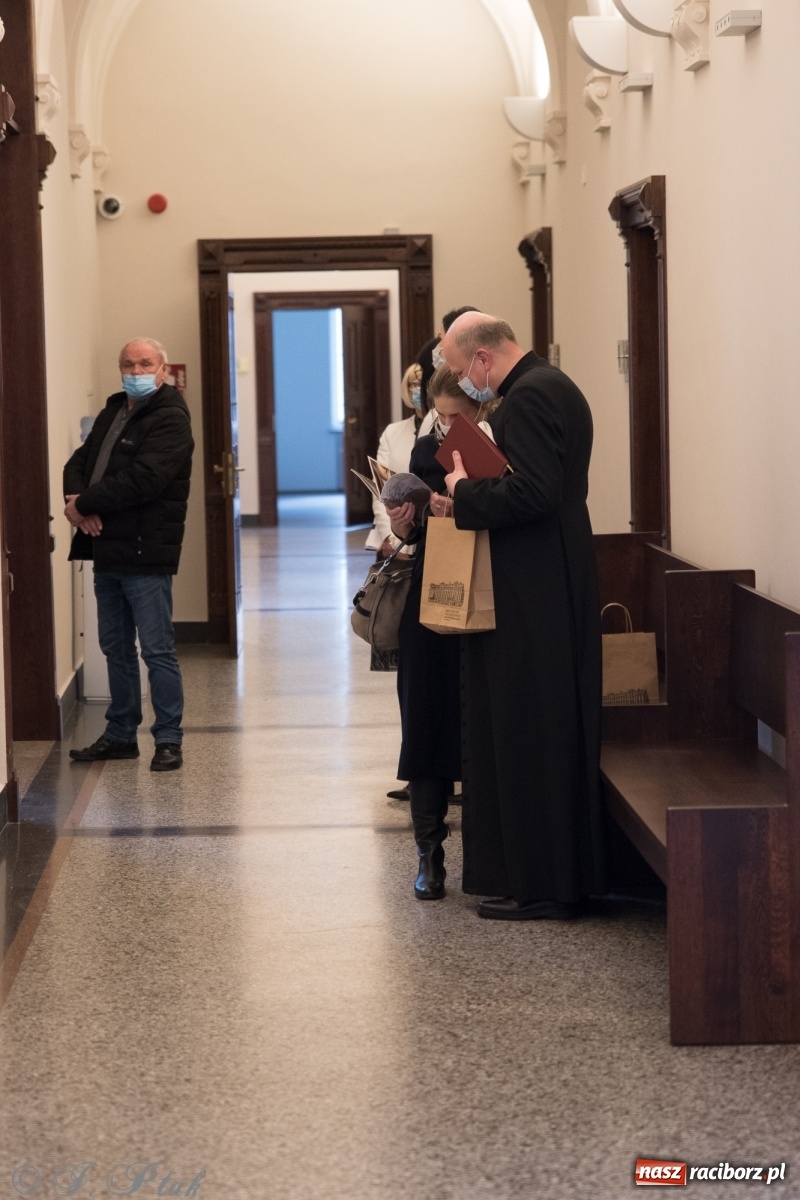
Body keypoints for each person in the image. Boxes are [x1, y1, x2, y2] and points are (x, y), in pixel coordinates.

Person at [439, 311, 604, 920]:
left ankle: (544, 886)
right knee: (534, 725)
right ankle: (542, 877)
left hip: (535, 587)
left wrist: (463, 490)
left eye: (461, 368)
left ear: (483, 358)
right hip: (544, 575)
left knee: (532, 729)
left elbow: (534, 492)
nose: (464, 380)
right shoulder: (547, 385)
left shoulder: (531, 396)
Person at [385, 365, 492, 899]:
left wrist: (463, 501)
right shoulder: (426, 448)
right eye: (440, 416)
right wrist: (405, 522)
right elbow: (414, 532)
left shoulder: (503, 446)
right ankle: (429, 853)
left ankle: (490, 855)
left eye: (456, 417)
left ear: (480, 408)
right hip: (434, 592)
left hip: (489, 592)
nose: (447, 427)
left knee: (480, 724)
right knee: (424, 720)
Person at [64, 338, 194, 772]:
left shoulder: (171, 417)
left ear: (162, 370)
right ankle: (120, 734)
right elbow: (78, 462)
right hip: (107, 547)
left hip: (145, 549)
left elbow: (145, 478)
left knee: (157, 650)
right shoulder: (114, 410)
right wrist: (76, 501)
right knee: (114, 648)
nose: (135, 371)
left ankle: (169, 739)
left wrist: (84, 505)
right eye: (128, 364)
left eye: (145, 363)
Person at [365, 362, 423, 560]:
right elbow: (381, 491)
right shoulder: (392, 432)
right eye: (413, 384)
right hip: (394, 535)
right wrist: (390, 538)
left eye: (422, 384)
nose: (418, 389)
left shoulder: (443, 430)